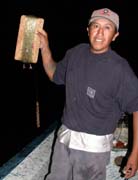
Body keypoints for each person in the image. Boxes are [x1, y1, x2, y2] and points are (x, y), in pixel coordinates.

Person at [38, 8, 138, 180]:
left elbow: (137, 109)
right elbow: (54, 74)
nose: (100, 32)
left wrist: (135, 154)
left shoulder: (120, 69)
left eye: (107, 27)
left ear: (115, 35)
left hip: (93, 152)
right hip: (64, 141)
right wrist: (44, 47)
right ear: (88, 30)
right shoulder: (75, 53)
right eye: (96, 26)